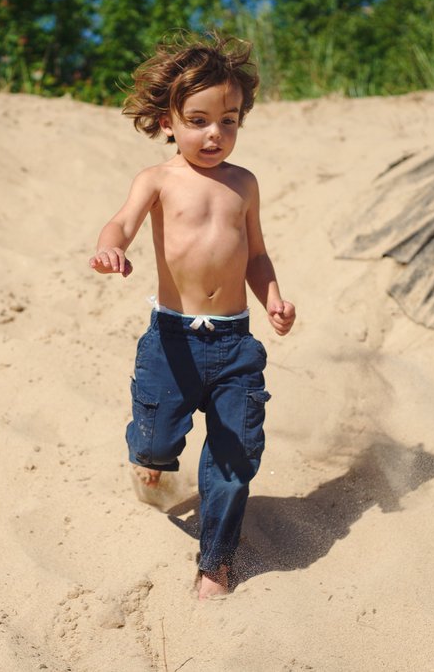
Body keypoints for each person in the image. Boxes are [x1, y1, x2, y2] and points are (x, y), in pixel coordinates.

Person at [89, 32, 296, 599]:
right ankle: (149, 459)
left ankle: (215, 563)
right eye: (199, 120)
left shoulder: (244, 184)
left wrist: (272, 296)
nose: (215, 134)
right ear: (166, 122)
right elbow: (121, 224)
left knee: (235, 458)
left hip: (235, 344)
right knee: (157, 441)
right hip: (171, 343)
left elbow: (255, 254)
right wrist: (113, 249)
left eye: (228, 121)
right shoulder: (157, 180)